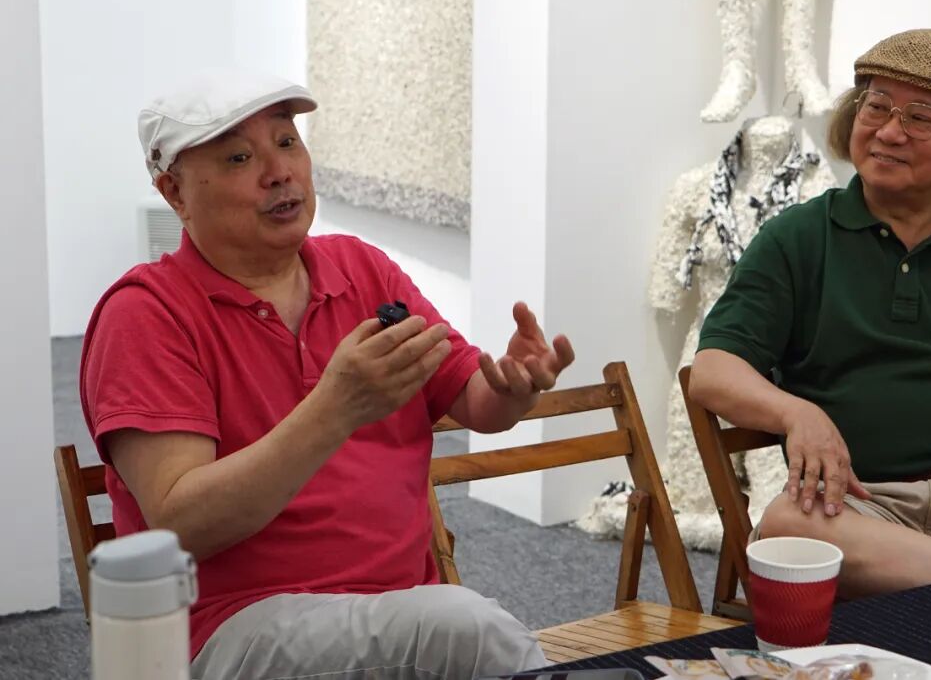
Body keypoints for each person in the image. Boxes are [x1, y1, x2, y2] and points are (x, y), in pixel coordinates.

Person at [80, 69, 574, 679]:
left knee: (452, 629)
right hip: (234, 628)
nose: (278, 172)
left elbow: (475, 399)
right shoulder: (145, 314)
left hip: (400, 610)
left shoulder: (362, 270)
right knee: (468, 633)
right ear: (174, 192)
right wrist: (336, 407)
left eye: (287, 142)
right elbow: (182, 525)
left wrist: (512, 387)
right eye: (239, 158)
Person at [689, 29, 931, 598]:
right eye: (875, 107)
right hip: (857, 506)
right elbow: (712, 370)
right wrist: (798, 413)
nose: (889, 132)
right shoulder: (798, 238)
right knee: (787, 527)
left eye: (920, 118)